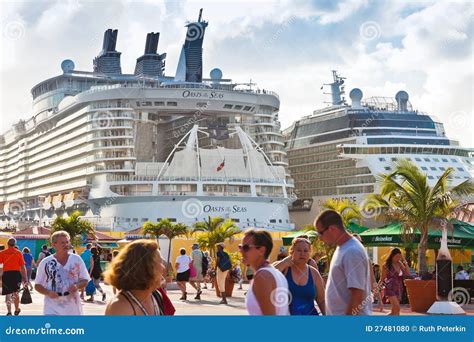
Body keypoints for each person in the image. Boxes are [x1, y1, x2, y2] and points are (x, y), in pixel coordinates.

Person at [315, 210, 372, 315]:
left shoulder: (352, 251)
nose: (320, 238)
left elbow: (357, 294)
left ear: (332, 229)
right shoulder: (343, 248)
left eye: (321, 233)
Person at [34, 231, 90, 315]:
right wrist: (48, 292)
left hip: (73, 309)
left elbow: (85, 279)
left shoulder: (76, 259)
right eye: (62, 242)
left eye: (67, 242)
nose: (66, 244)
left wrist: (77, 286)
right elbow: (37, 285)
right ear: (54, 245)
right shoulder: (46, 262)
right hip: (51, 309)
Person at [104, 239, 164, 316]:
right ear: (146, 268)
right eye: (160, 262)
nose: (163, 268)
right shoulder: (120, 307)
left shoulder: (156, 296)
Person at [240, 229, 290, 315]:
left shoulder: (262, 276)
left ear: (262, 250)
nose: (241, 251)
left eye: (246, 247)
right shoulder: (276, 273)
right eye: (240, 247)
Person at [273, 237, 326, 315]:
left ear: (309, 253)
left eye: (305, 251)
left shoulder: (314, 273)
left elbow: (321, 300)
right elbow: (266, 276)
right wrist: (283, 263)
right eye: (298, 250)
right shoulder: (284, 269)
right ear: (292, 252)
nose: (302, 254)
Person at [0, 238, 27, 315]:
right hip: (16, 275)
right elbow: (22, 267)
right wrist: (25, 278)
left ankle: (9, 312)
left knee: (8, 294)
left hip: (6, 274)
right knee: (16, 293)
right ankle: (16, 309)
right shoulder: (18, 253)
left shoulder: (2, 253)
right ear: (15, 245)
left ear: (7, 244)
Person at [379, 248, 410, 315]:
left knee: (395, 311)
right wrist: (377, 289)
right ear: (392, 256)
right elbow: (382, 278)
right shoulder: (386, 265)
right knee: (397, 307)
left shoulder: (399, 263)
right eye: (396, 257)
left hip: (399, 288)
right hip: (390, 288)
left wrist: (405, 261)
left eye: (399, 257)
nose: (398, 258)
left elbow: (407, 273)